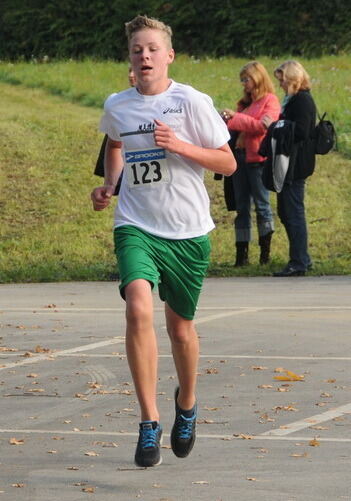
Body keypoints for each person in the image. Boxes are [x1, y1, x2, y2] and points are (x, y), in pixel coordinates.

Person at [90, 15, 236, 467]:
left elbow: (228, 164)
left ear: (169, 55)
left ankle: (186, 404)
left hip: (188, 232)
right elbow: (115, 144)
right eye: (137, 49)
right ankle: (149, 421)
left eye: (153, 48)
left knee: (180, 330)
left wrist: (180, 146)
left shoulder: (191, 101)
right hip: (136, 224)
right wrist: (111, 186)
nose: (145, 56)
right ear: (130, 58)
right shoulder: (118, 105)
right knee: (137, 306)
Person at [221, 61, 280, 266]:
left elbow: (263, 127)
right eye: (242, 80)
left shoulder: (270, 101)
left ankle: (265, 256)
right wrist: (227, 120)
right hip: (239, 159)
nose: (244, 84)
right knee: (241, 208)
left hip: (257, 161)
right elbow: (244, 125)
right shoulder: (244, 104)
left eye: (246, 79)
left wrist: (235, 118)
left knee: (262, 207)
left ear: (257, 78)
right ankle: (241, 257)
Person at [262, 60, 316, 276]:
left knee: (293, 212)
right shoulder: (292, 100)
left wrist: (274, 126)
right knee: (287, 212)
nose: (281, 84)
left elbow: (302, 131)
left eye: (283, 79)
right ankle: (302, 258)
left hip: (295, 166)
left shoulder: (302, 101)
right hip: (288, 165)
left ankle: (299, 261)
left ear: (293, 79)